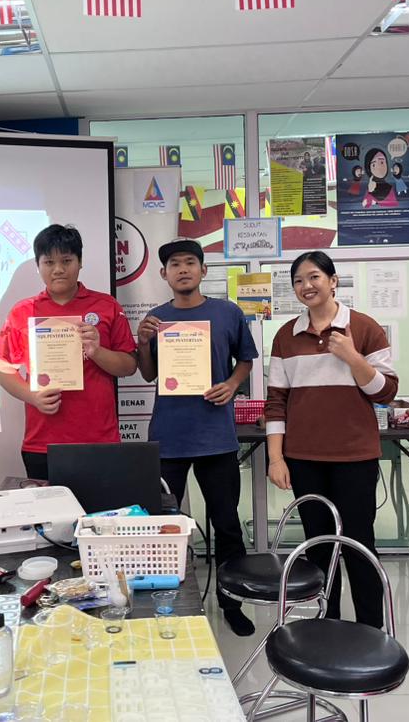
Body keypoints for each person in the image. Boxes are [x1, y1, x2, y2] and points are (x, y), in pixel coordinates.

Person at [264, 251, 398, 628]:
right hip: (304, 458)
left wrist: (353, 357)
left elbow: (386, 392)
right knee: (319, 546)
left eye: (314, 277)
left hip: (355, 456)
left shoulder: (365, 328)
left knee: (358, 543)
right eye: (298, 281)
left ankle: (371, 630)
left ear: (333, 281)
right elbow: (276, 403)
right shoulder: (286, 336)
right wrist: (276, 458)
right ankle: (327, 625)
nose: (306, 286)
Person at [136, 238, 259, 637]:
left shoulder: (227, 312)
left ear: (204, 270)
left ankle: (232, 602)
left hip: (216, 437)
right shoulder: (156, 319)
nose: (183, 269)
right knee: (163, 527)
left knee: (226, 524)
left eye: (190, 262)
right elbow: (148, 374)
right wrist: (142, 342)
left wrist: (232, 385)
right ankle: (166, 602)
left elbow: (246, 359)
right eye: (175, 264)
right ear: (164, 274)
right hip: (168, 438)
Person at [0, 224, 137, 479]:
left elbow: (129, 365)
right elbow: (2, 367)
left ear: (80, 262)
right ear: (38, 265)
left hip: (99, 440)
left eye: (66, 261)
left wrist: (97, 351)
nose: (58, 269)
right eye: (49, 262)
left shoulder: (107, 305)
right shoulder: (23, 311)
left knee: (102, 506)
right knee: (48, 506)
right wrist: (32, 396)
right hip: (43, 441)